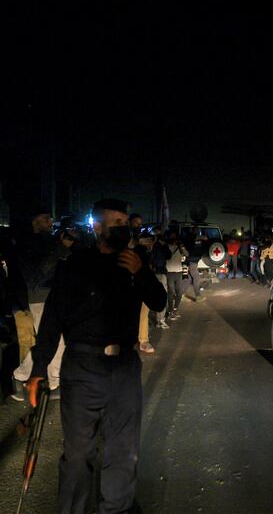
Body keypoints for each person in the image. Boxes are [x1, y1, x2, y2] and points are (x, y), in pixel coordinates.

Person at [26, 198, 167, 513]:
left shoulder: (135, 262)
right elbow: (52, 320)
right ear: (98, 228)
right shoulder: (75, 265)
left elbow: (159, 301)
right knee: (78, 453)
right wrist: (38, 369)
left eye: (124, 222)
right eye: (115, 223)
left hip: (124, 367)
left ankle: (116, 508)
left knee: (123, 448)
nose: (122, 228)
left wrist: (141, 272)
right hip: (82, 368)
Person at [8, 208, 73, 401]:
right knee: (56, 340)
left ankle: (22, 377)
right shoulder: (26, 243)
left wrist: (64, 247)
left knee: (50, 340)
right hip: (39, 297)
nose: (50, 222)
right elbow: (36, 276)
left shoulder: (46, 240)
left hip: (53, 295)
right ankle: (53, 382)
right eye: (46, 218)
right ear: (34, 220)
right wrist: (59, 248)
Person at [165, 231, 187, 319]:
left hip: (179, 271)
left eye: (175, 237)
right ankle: (170, 310)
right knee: (171, 292)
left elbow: (187, 254)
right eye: (172, 237)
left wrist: (182, 247)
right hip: (169, 271)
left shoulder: (180, 248)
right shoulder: (166, 247)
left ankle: (175, 309)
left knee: (179, 292)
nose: (174, 239)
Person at [185, 226, 207, 301]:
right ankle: (198, 296)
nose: (197, 231)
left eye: (198, 230)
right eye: (196, 230)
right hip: (192, 261)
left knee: (188, 279)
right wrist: (204, 237)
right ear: (193, 230)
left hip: (193, 260)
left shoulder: (195, 238)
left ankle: (181, 294)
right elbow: (204, 238)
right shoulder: (192, 236)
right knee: (196, 278)